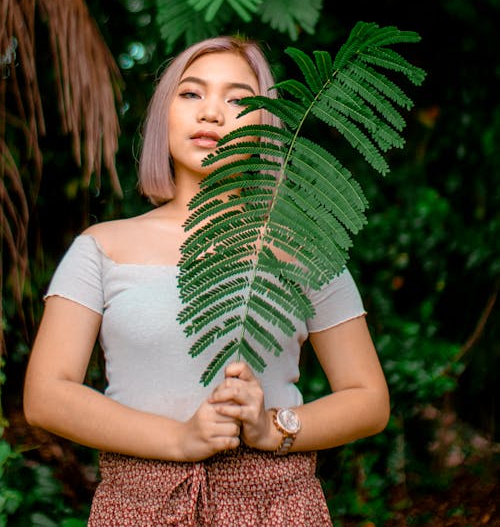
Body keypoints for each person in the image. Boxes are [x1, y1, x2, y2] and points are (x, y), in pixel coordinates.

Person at [23, 35, 390, 526]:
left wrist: (271, 427)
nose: (211, 113)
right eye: (191, 93)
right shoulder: (101, 247)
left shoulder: (303, 248)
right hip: (138, 507)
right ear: (164, 116)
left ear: (266, 127)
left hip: (275, 506)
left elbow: (369, 399)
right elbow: (46, 396)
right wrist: (179, 440)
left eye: (238, 99)